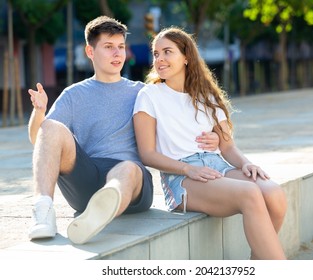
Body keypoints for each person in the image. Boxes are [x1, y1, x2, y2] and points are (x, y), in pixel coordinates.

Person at [27, 16, 219, 245]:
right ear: (90, 51)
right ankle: (43, 212)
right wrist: (39, 112)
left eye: (121, 47)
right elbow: (39, 141)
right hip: (87, 174)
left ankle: (102, 211)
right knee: (50, 126)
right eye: (108, 47)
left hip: (132, 180)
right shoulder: (73, 94)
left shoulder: (144, 92)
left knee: (127, 168)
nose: (117, 54)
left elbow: (181, 118)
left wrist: (215, 135)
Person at [133, 27, 287, 260]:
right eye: (155, 54)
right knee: (249, 193)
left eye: (167, 52)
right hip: (182, 178)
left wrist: (246, 164)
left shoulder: (207, 95)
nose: (159, 59)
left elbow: (227, 147)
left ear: (186, 57)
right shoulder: (149, 96)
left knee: (274, 193)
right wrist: (188, 169)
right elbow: (147, 154)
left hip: (217, 166)